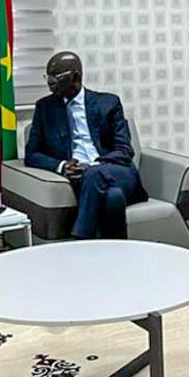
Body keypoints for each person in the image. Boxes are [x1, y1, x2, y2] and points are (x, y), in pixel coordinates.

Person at [24, 51, 149, 239]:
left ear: (76, 77)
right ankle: (118, 252)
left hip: (117, 171)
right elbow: (32, 154)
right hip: (82, 179)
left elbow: (124, 151)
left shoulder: (108, 103)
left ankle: (80, 238)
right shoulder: (45, 108)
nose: (50, 81)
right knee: (113, 198)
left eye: (56, 76)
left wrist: (94, 166)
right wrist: (62, 166)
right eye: (47, 76)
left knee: (94, 173)